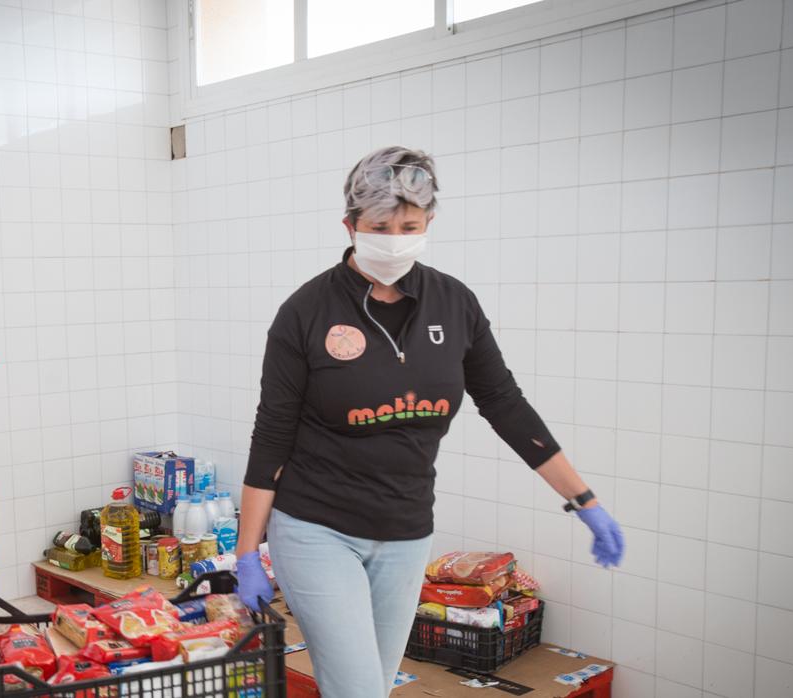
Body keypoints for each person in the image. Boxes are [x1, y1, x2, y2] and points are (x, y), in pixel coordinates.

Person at [233, 146, 625, 697]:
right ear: (350, 225)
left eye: (409, 225)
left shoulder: (454, 304)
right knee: (358, 691)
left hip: (406, 530)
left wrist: (585, 501)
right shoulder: (306, 312)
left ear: (429, 222)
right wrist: (248, 551)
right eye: (379, 226)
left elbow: (507, 405)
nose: (395, 237)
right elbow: (271, 434)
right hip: (316, 528)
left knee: (375, 683)